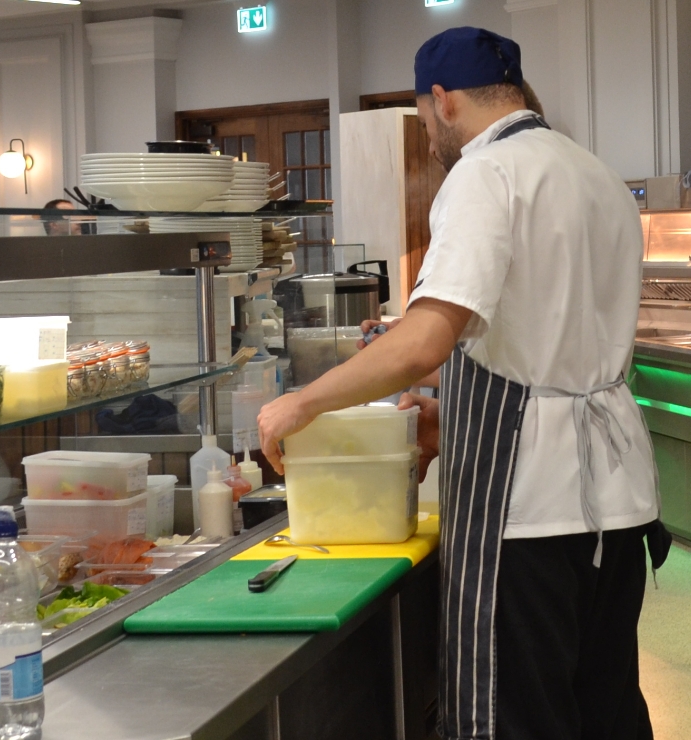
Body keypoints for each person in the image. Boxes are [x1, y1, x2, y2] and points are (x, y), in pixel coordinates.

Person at [258, 26, 660, 740]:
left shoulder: (484, 173)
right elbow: (546, 341)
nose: (428, 137)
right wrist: (449, 422)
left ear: (442, 101)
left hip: (526, 507)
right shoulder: (589, 170)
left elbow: (423, 341)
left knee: (511, 719)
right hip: (616, 501)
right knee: (602, 708)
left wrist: (303, 400)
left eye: (421, 120)